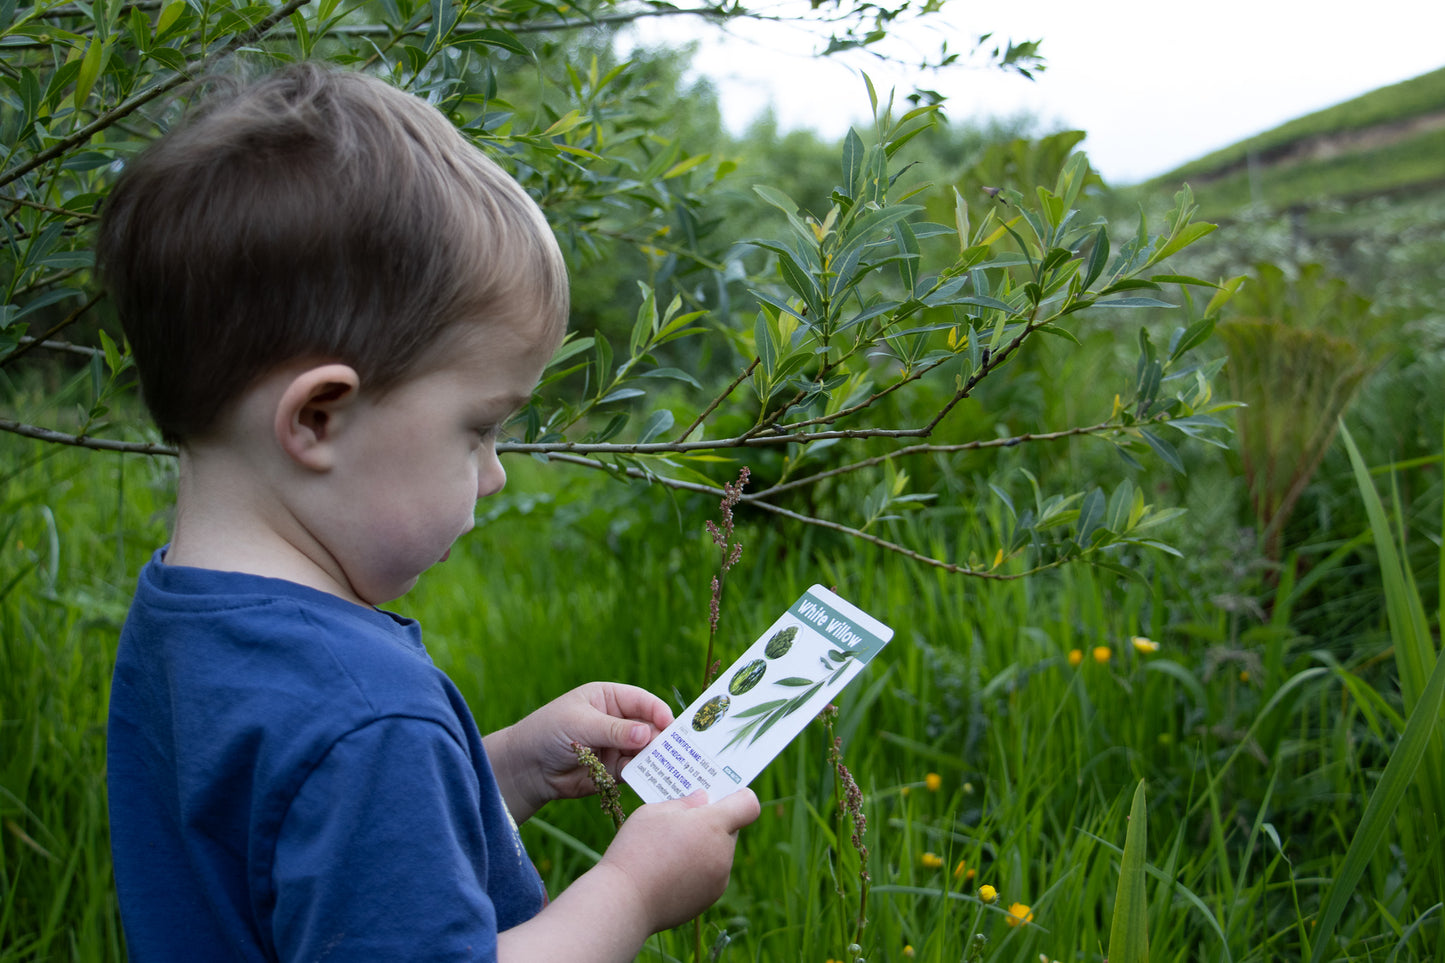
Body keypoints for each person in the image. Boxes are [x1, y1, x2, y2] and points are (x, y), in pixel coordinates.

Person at [97, 62, 759, 962]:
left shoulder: (184, 619)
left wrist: (506, 767)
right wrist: (632, 888)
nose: (494, 476)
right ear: (319, 418)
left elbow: (297, 848)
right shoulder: (367, 717)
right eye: (478, 429)